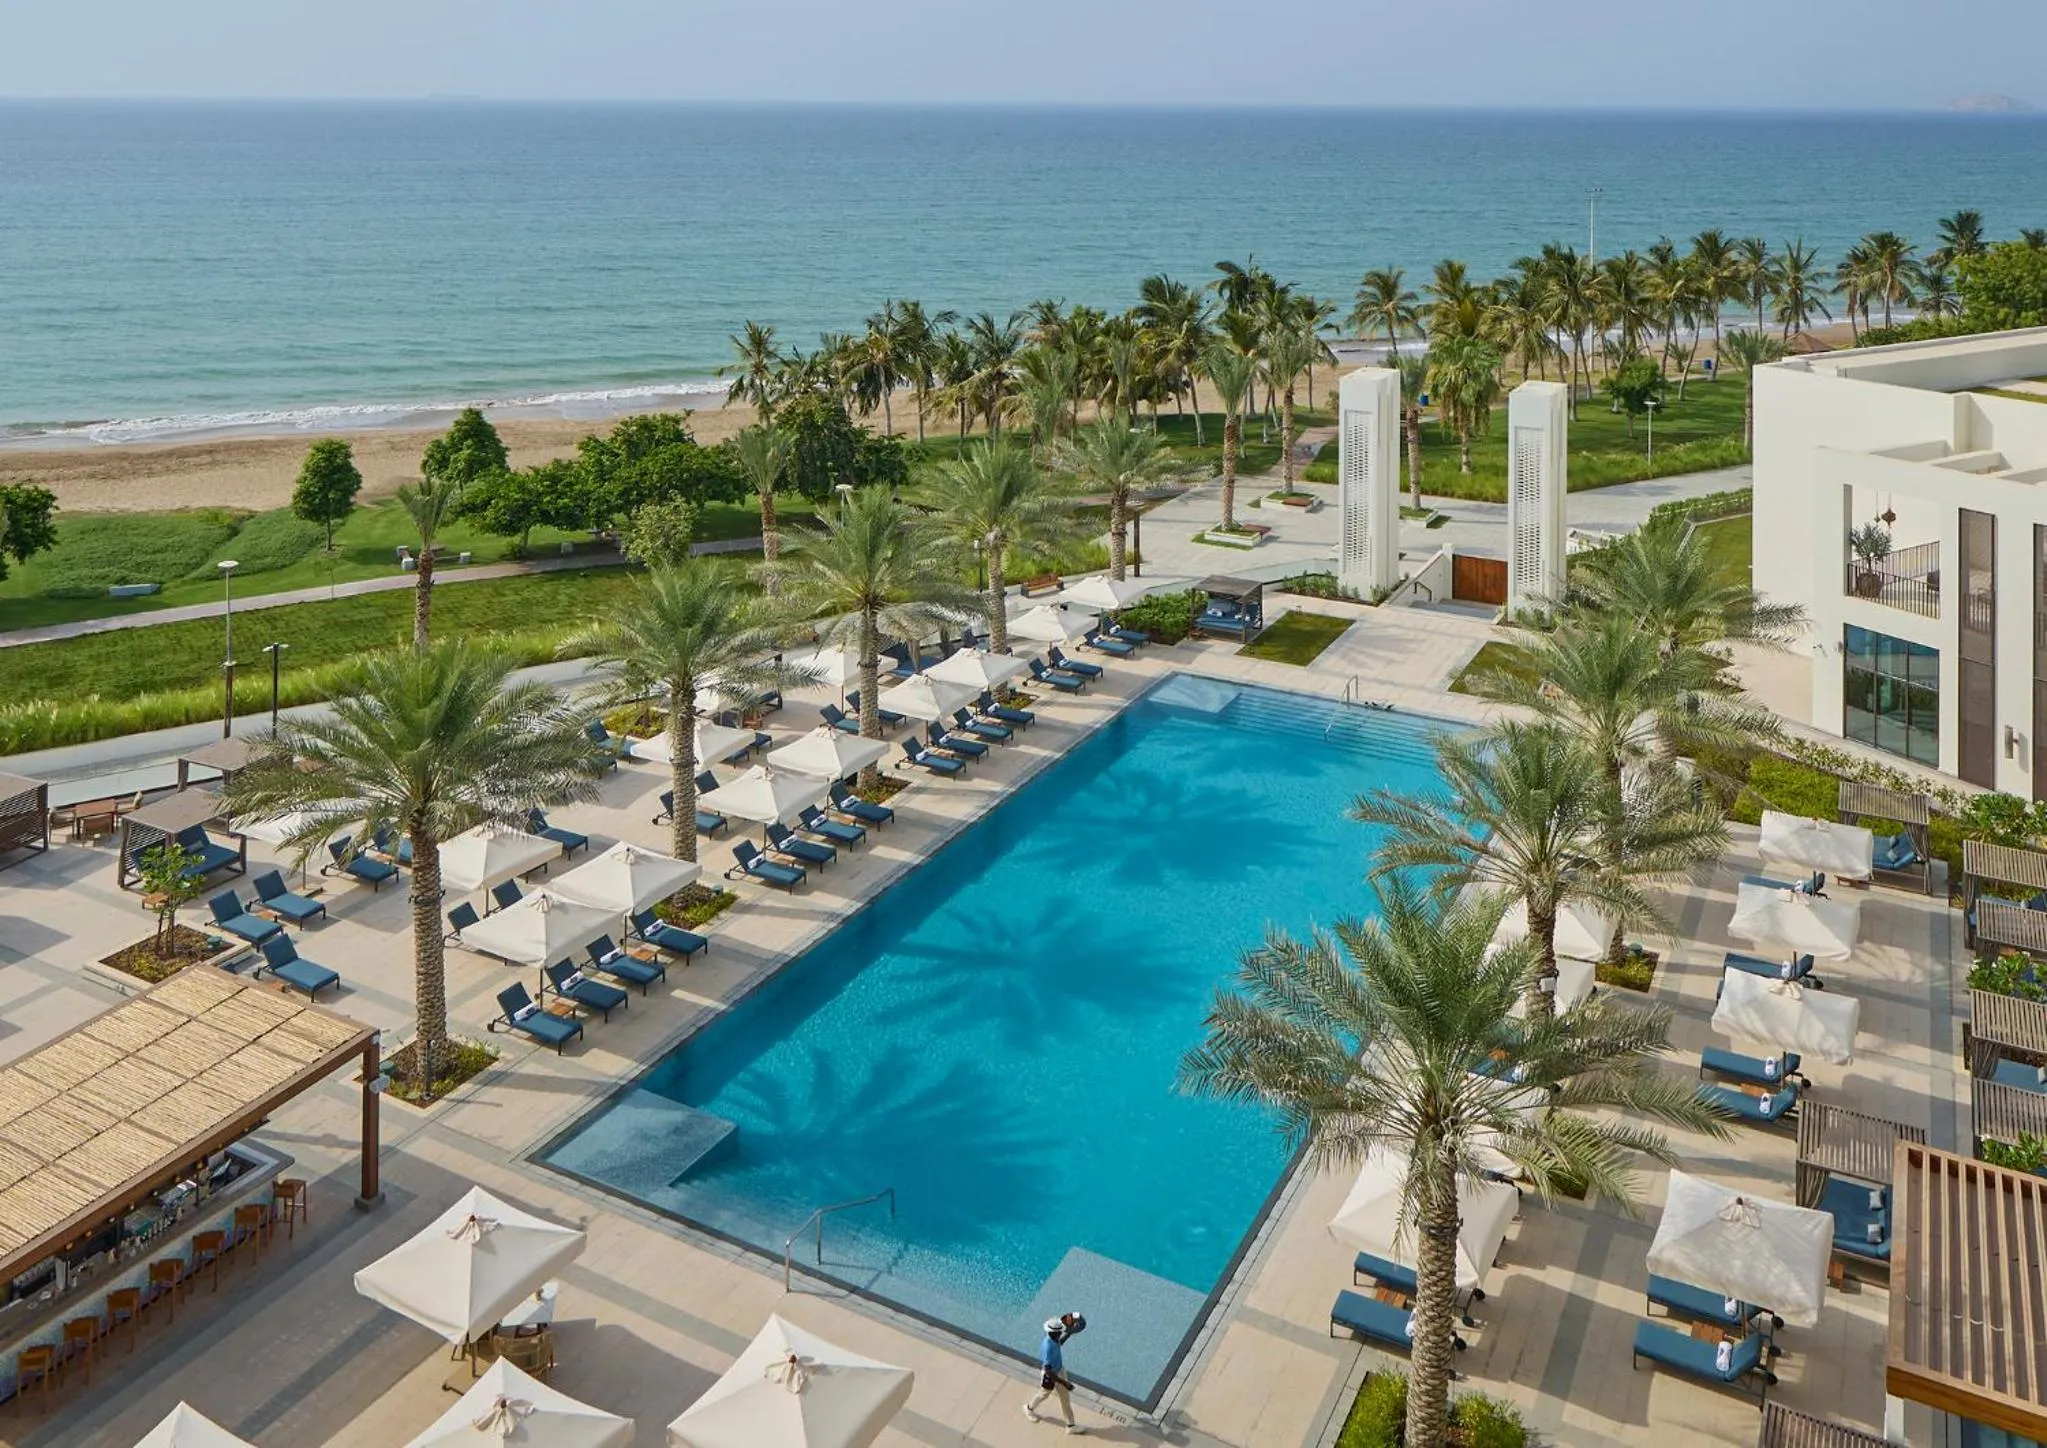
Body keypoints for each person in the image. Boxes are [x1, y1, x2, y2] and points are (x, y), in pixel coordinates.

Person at [1023, 1311, 1088, 1434]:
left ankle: (1070, 1425)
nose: (1061, 1332)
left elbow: (1060, 1343)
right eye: (1060, 1331)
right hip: (1052, 1375)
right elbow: (1047, 1370)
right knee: (1044, 1394)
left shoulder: (1054, 1338)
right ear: (1054, 1332)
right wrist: (1064, 1383)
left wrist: (1070, 1333)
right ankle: (1028, 1408)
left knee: (1064, 1398)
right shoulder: (1048, 1346)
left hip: (1059, 1370)